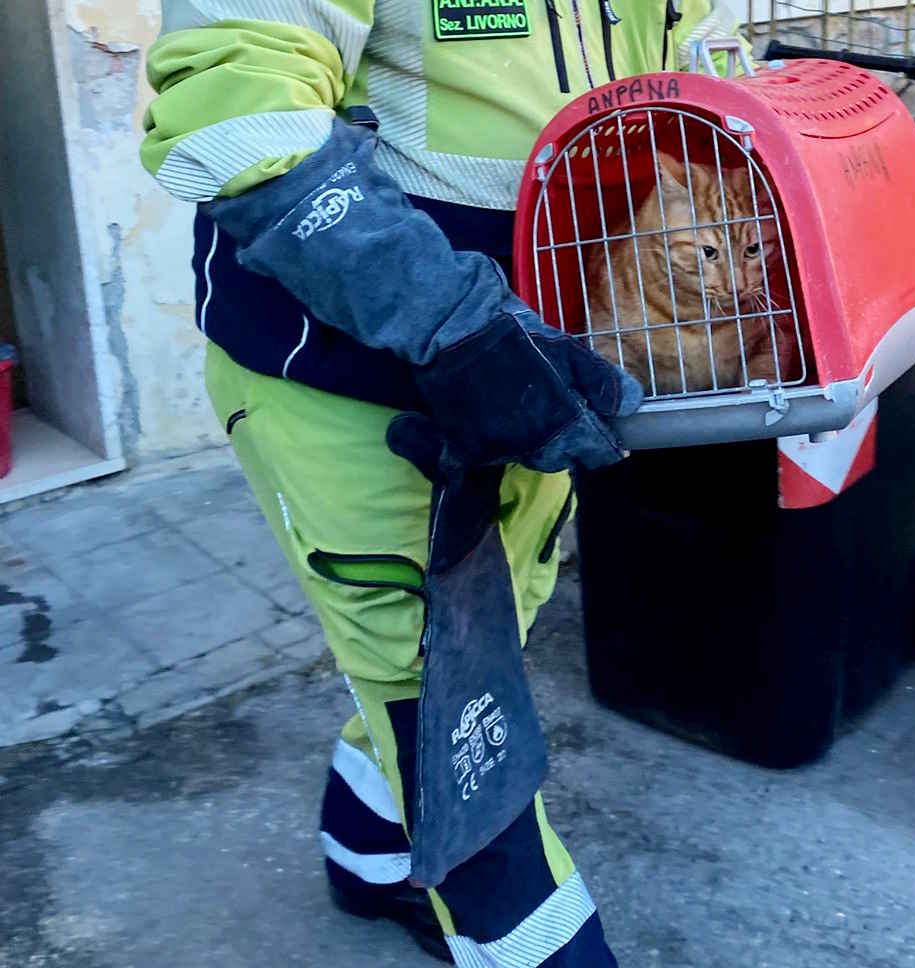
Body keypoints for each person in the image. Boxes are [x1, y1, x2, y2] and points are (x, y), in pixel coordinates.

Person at [139, 0, 746, 962]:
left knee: (489, 630)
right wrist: (450, 318)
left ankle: (366, 862)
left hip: (539, 369)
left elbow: (682, 81)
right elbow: (235, 98)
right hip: (350, 377)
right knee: (449, 707)